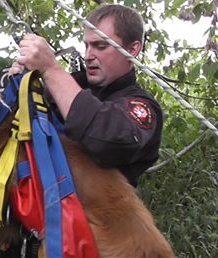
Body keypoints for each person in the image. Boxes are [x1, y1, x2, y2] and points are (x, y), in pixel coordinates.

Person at [9, 4, 162, 187]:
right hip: (35, 200)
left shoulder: (142, 107)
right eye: (87, 45)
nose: (88, 55)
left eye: (100, 46)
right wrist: (18, 84)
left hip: (97, 212)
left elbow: (108, 140)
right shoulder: (70, 86)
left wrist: (51, 69)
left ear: (132, 50)